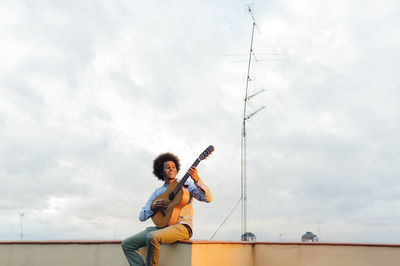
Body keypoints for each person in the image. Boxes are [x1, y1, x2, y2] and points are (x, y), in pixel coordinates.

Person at [121, 152, 212, 266]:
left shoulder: (186, 185)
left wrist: (197, 179)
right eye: (167, 167)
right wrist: (152, 207)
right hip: (162, 227)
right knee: (127, 244)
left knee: (152, 237)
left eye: (173, 167)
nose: (171, 169)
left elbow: (208, 198)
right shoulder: (158, 192)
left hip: (182, 227)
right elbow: (141, 216)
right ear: (161, 171)